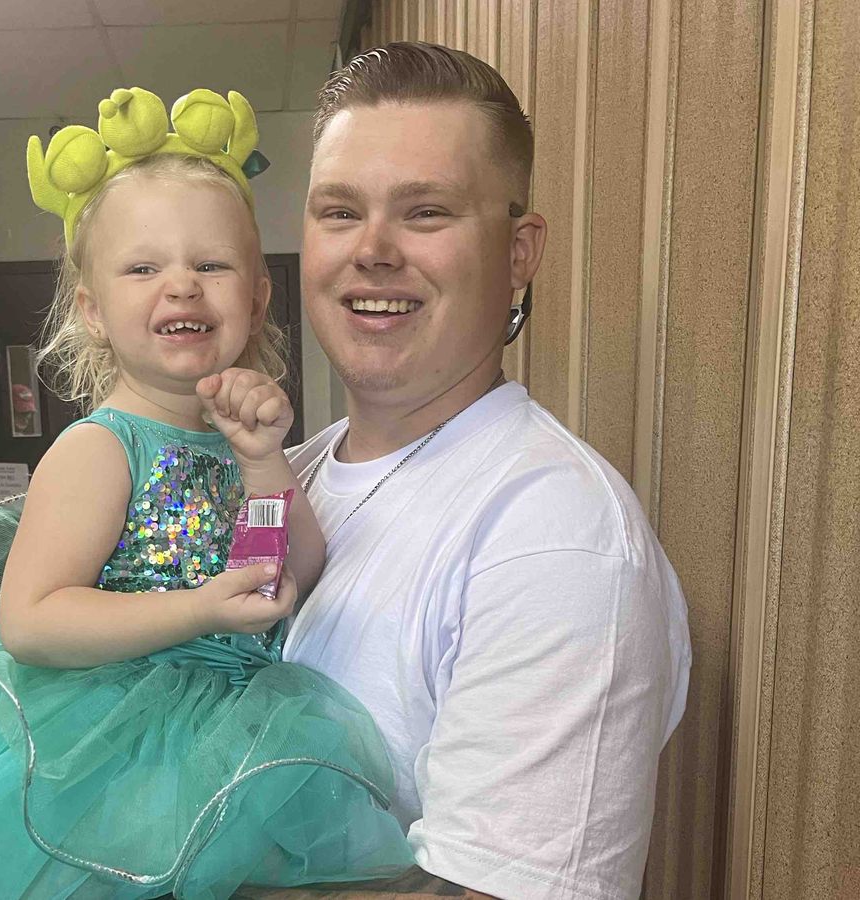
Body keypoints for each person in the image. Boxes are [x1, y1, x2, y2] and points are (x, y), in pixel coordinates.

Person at [0, 87, 412, 900]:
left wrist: (262, 461)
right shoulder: (100, 448)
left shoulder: (238, 438)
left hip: (235, 735)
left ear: (256, 298)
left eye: (211, 264)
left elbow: (290, 572)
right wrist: (198, 610)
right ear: (93, 309)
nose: (181, 286)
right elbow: (32, 622)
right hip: (113, 751)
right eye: (143, 267)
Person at [272, 43, 693, 899]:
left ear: (519, 251)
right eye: (340, 211)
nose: (373, 250)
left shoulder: (554, 536)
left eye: (426, 212)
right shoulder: (287, 475)